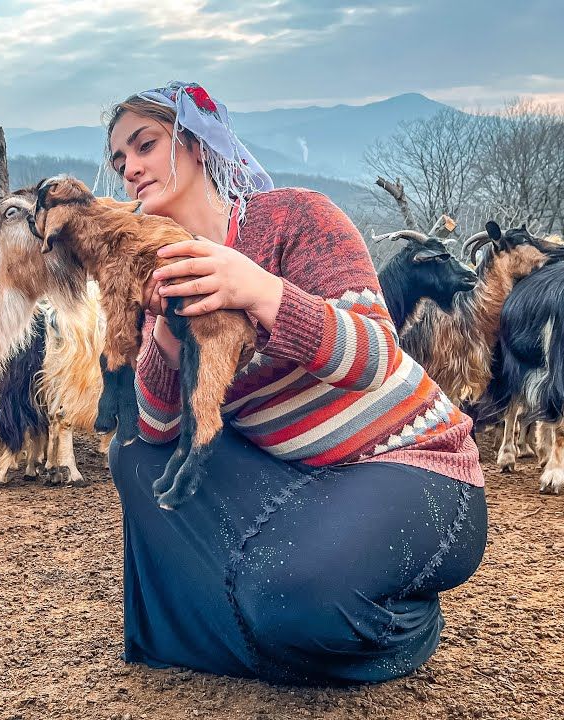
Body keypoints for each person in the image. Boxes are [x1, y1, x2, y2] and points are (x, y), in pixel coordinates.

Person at [103, 81, 487, 686]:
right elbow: (155, 431)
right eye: (119, 160)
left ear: (195, 143)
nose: (130, 169)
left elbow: (376, 356)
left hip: (413, 466)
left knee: (292, 600)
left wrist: (259, 289)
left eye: (144, 144)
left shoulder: (294, 218)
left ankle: (389, 620)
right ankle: (267, 612)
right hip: (301, 483)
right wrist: (171, 338)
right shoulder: (165, 277)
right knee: (131, 455)